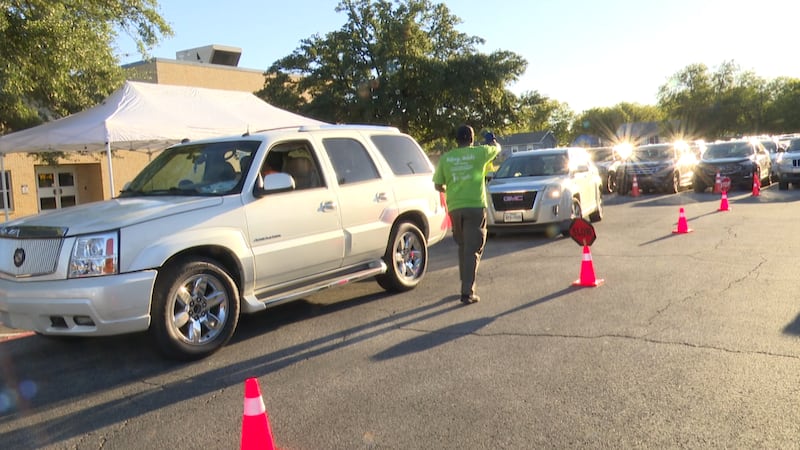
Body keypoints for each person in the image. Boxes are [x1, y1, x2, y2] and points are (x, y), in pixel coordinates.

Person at [433, 124, 500, 305]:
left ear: (456, 140)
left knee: (463, 247)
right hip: (475, 206)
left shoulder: (446, 158)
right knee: (473, 249)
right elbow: (496, 148)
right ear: (471, 139)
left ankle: (465, 284)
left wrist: (451, 190)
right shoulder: (480, 153)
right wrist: (492, 141)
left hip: (455, 208)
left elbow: (438, 185)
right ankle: (467, 292)